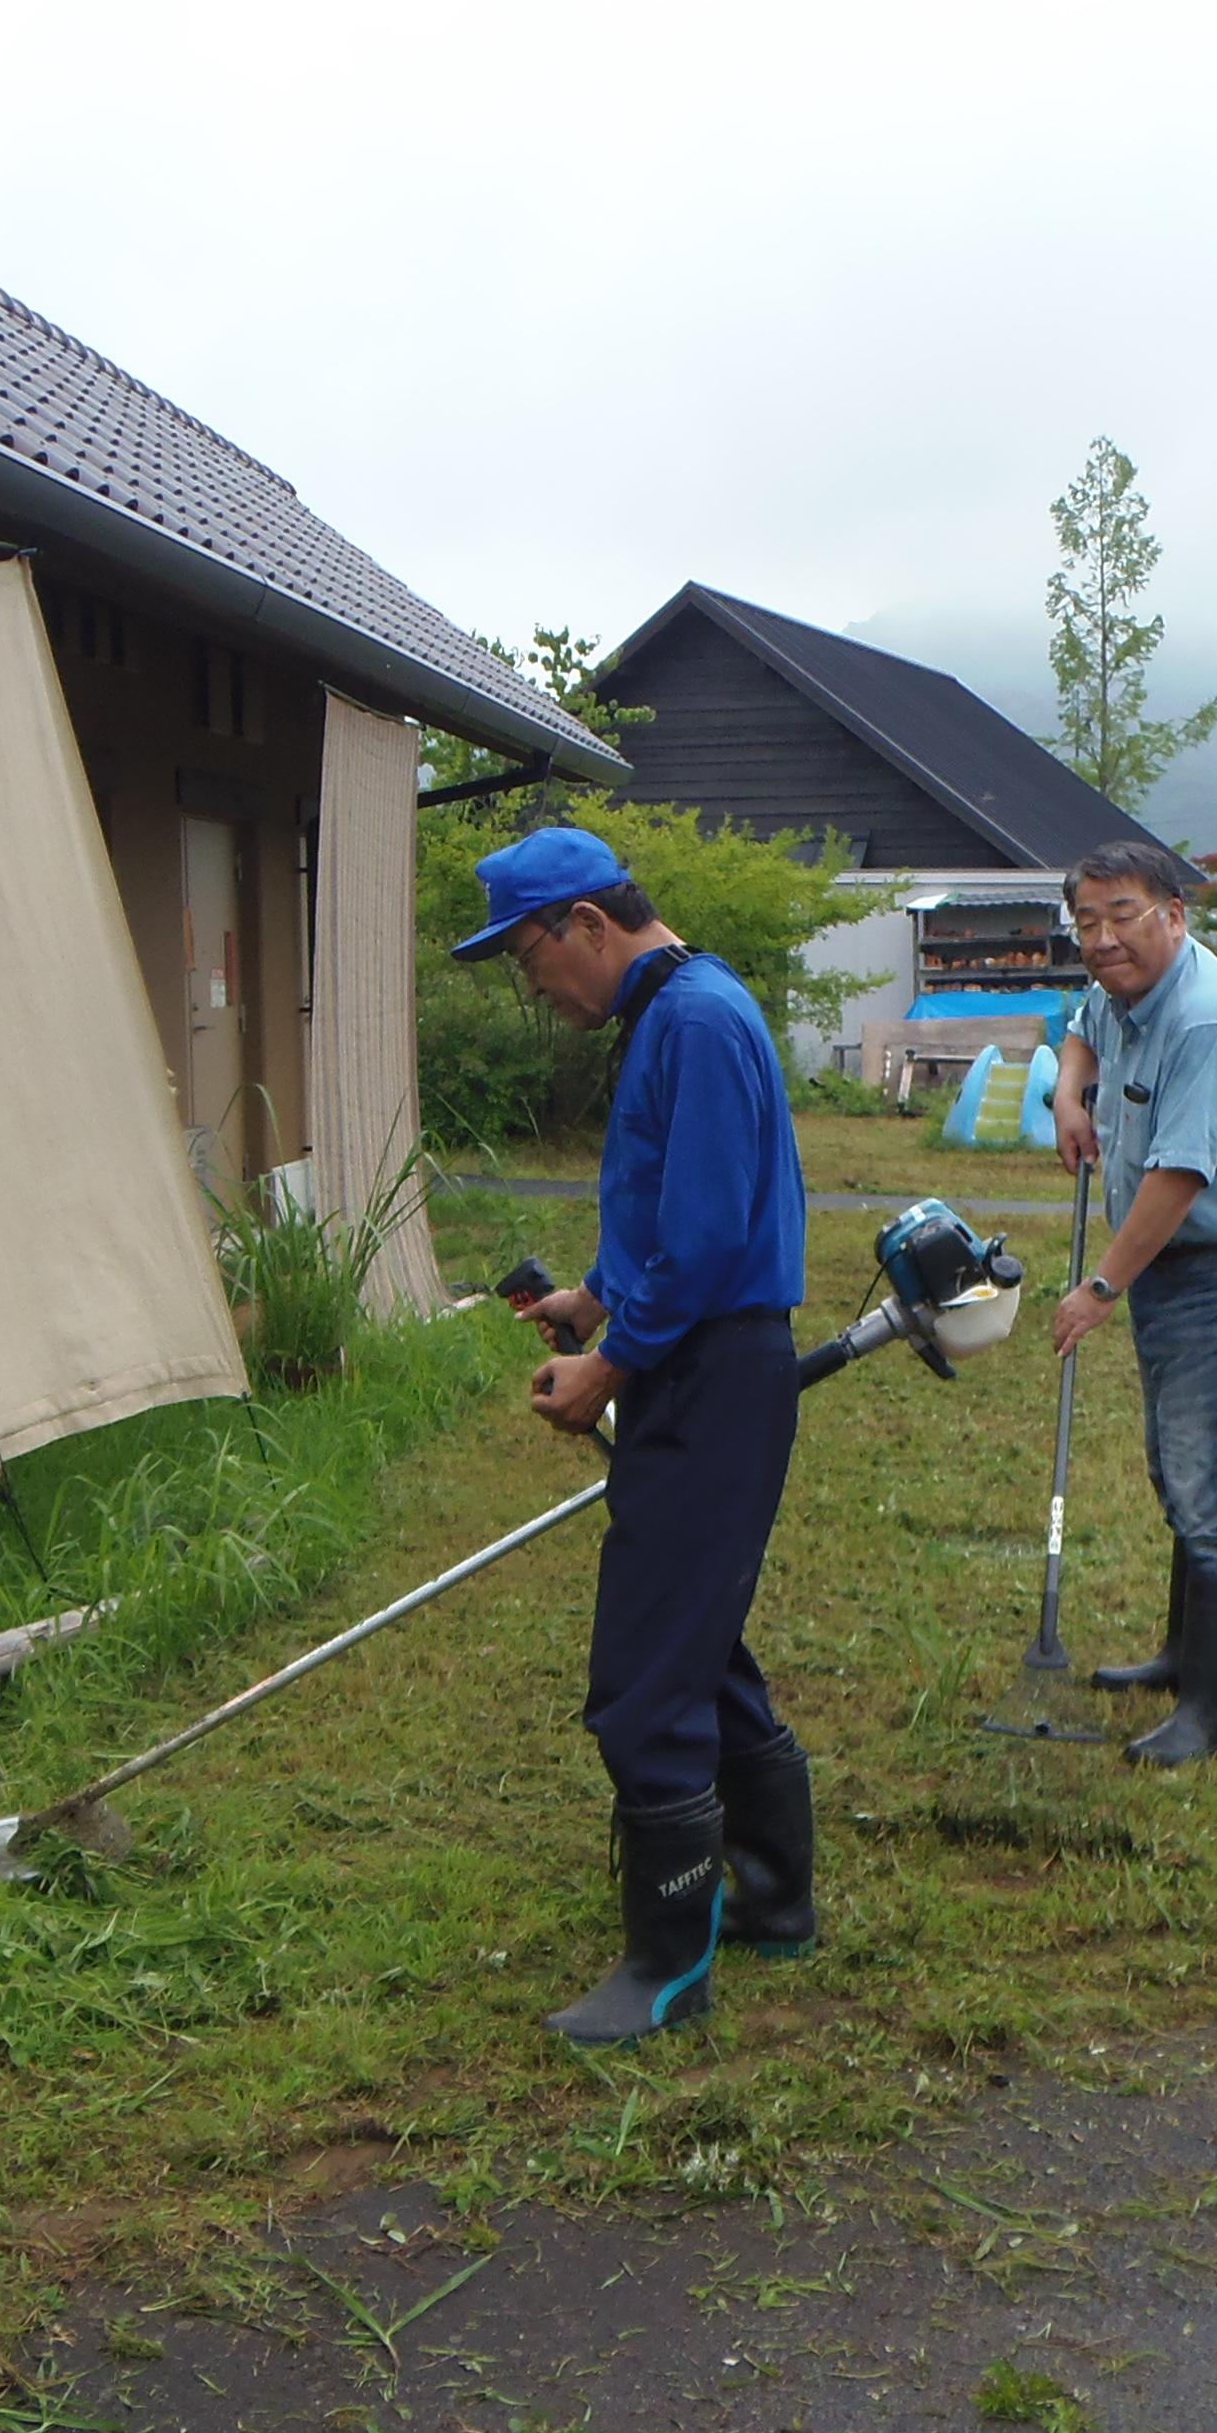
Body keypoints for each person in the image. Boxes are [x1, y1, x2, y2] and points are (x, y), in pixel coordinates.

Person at [461, 824, 815, 2046]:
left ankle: (669, 1967)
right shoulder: (670, 1019)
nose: (534, 985)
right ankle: (775, 1897)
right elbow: (668, 1210)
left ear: (588, 926)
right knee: (699, 1640)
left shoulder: (698, 1022)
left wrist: (607, 1364)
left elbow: (713, 1237)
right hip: (692, 1358)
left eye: (527, 956)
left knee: (644, 1677)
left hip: (714, 1371)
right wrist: (594, 1298)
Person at [1044, 838, 1217, 1766]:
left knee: (1214, 1480)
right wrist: (1074, 1094)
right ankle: (1183, 1657)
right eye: (1087, 921)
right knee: (1179, 1465)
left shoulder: (1201, 1020)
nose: (1103, 938)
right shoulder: (1122, 993)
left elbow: (1178, 1177)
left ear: (1175, 916)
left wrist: (1101, 1286)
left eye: (1123, 916)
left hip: (1214, 1268)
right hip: (1169, 1269)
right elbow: (1079, 1024)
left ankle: (1214, 1715)